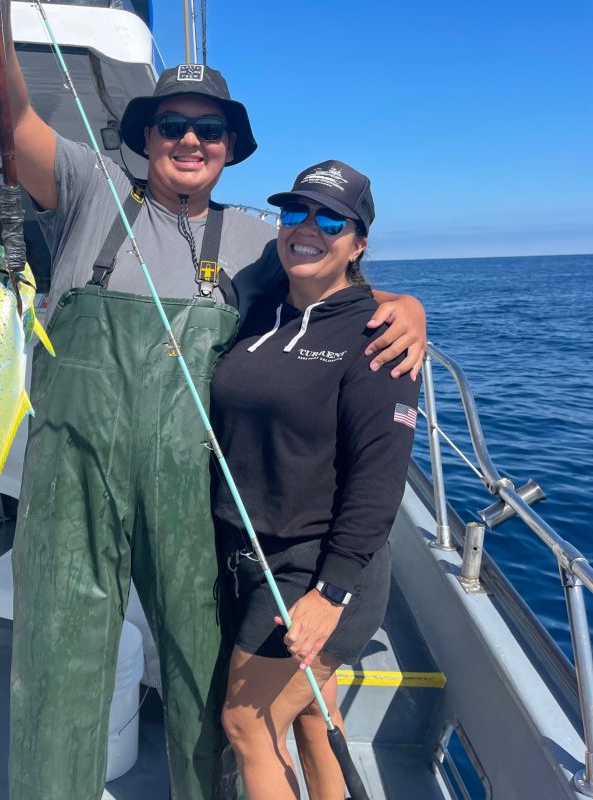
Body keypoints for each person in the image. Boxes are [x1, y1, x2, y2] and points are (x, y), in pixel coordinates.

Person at [0, 3, 426, 797]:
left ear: (229, 151)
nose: (188, 140)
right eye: (172, 124)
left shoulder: (257, 241)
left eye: (207, 131)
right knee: (58, 659)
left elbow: (338, 286)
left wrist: (409, 307)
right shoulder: (86, 190)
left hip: (194, 498)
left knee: (200, 670)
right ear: (145, 139)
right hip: (72, 483)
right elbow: (5, 119)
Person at [212, 160, 421, 800]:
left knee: (247, 727)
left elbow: (379, 482)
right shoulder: (266, 310)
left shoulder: (376, 337)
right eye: (295, 213)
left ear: (358, 243)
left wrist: (329, 593)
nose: (308, 228)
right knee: (308, 715)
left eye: (331, 219)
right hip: (250, 554)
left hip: (314, 569)